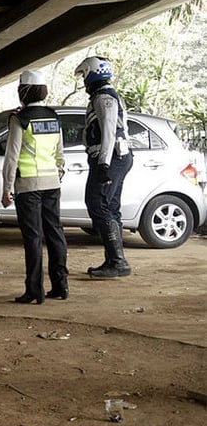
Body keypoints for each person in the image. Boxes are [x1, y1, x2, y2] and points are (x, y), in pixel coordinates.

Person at [0, 70, 69, 304]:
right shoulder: (53, 117)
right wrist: (58, 174)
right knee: (55, 233)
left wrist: (6, 187)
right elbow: (60, 153)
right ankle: (61, 286)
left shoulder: (20, 119)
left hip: (28, 185)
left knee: (33, 238)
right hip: (52, 183)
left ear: (24, 91)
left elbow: (12, 156)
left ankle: (34, 291)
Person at [74, 56, 133, 278]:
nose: (84, 83)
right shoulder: (106, 95)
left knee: (97, 204)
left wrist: (103, 165)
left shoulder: (104, 97)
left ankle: (117, 261)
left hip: (112, 157)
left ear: (92, 73)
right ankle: (115, 260)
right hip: (117, 156)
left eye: (84, 76)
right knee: (110, 206)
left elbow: (109, 132)